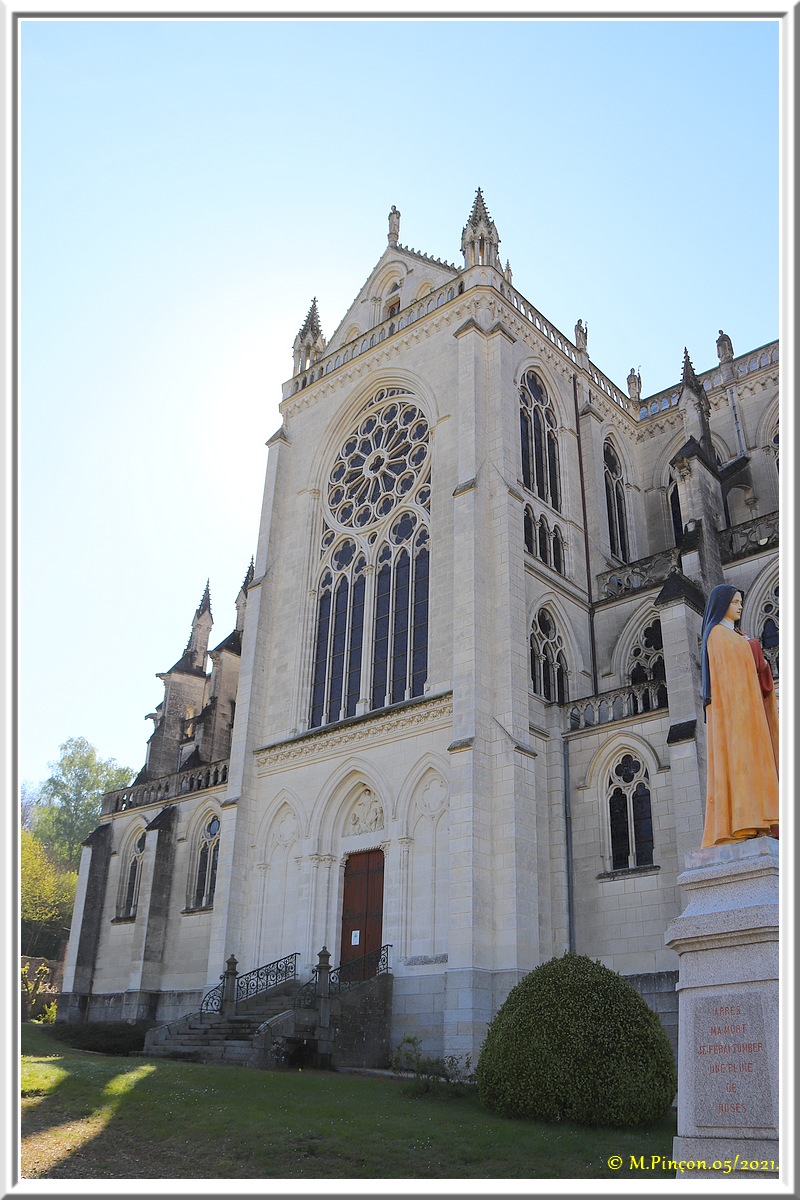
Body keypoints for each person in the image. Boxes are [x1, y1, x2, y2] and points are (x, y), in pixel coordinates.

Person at [700, 583, 779, 847]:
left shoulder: (735, 635)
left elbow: (755, 669)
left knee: (754, 763)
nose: (740, 606)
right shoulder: (718, 636)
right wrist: (753, 647)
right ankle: (744, 821)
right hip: (735, 715)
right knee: (740, 764)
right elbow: (731, 673)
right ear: (723, 604)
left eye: (740, 602)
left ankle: (761, 819)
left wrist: (752, 648)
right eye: (735, 602)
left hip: (749, 712)